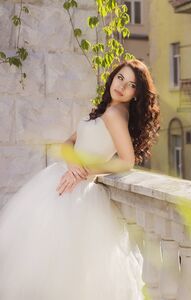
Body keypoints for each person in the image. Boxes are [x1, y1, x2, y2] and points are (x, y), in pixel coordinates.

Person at [0, 59, 161, 300]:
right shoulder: (106, 110)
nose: (122, 86)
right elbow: (68, 142)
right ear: (113, 77)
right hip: (65, 180)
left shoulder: (116, 114)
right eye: (120, 78)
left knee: (56, 266)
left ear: (136, 94)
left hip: (79, 191)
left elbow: (127, 160)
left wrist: (85, 171)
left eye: (131, 85)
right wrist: (74, 165)